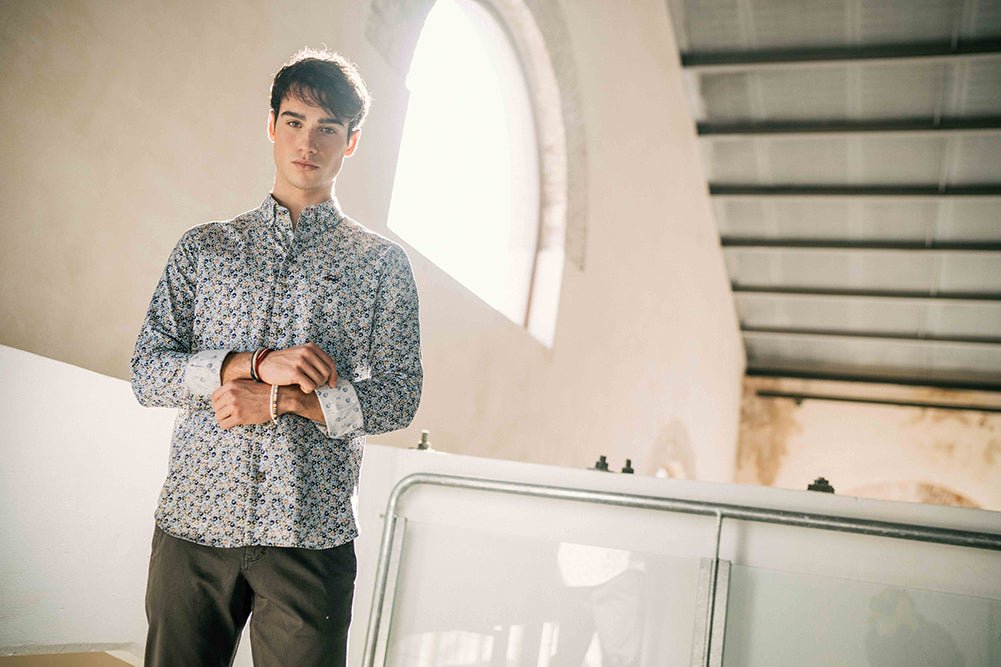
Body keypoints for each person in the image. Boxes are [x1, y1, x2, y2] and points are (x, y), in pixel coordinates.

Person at [130, 47, 422, 666]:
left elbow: (400, 394)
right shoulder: (205, 249)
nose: (307, 142)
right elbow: (147, 370)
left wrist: (291, 401)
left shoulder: (380, 265)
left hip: (309, 536)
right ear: (270, 125)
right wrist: (251, 363)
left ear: (352, 142)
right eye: (293, 121)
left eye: (327, 128)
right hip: (194, 525)